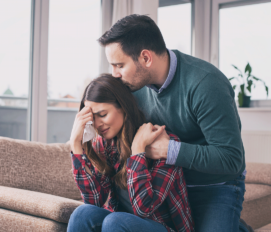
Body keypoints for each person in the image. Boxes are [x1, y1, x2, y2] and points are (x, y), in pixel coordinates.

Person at [98, 14, 251, 232]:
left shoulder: (206, 84)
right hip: (168, 184)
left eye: (119, 65)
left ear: (146, 58)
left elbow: (231, 159)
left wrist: (169, 150)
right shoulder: (132, 86)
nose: (114, 74)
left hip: (215, 185)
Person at [68, 74, 194, 232]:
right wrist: (76, 145)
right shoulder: (106, 143)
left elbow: (144, 209)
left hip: (162, 226)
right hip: (119, 224)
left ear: (123, 106)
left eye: (103, 115)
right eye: (93, 118)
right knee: (82, 213)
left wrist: (138, 150)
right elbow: (94, 201)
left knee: (115, 221)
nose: (98, 124)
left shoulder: (162, 143)